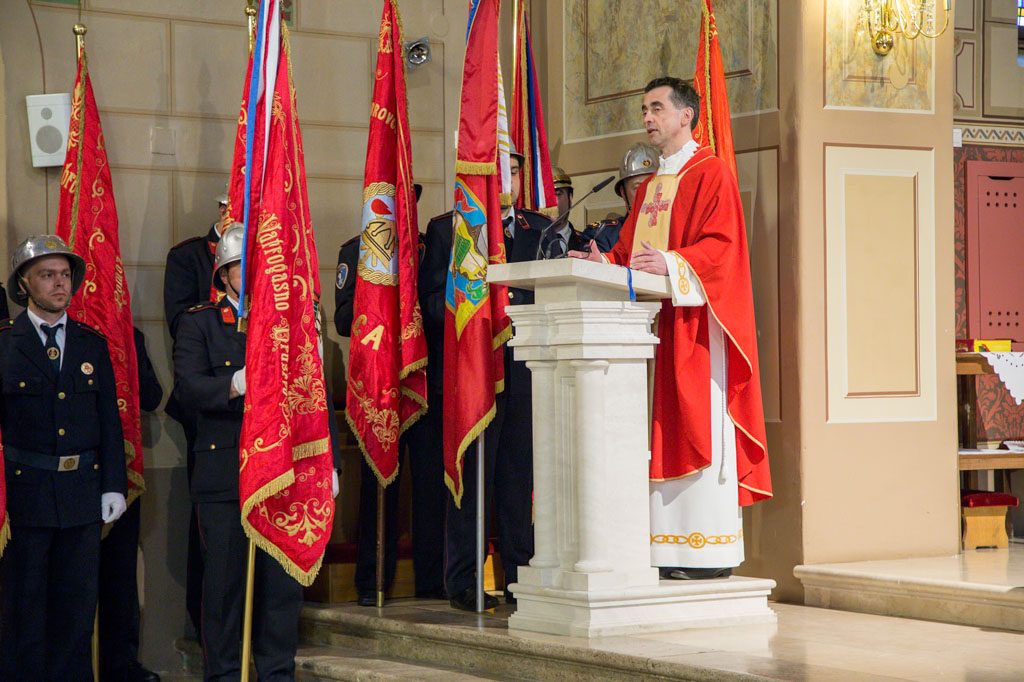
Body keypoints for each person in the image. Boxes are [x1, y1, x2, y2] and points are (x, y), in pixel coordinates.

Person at [569, 77, 771, 579]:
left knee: (696, 419)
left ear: (687, 115)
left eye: (657, 108)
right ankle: (668, 550)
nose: (648, 118)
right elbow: (631, 252)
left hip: (697, 326)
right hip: (651, 330)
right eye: (644, 109)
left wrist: (672, 263)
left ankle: (708, 551)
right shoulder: (654, 184)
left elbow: (722, 249)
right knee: (660, 431)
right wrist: (602, 261)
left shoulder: (712, 173)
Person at [175, 224, 342, 680]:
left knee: (281, 589)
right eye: (241, 270)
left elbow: (313, 392)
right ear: (223, 274)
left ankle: (276, 674)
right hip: (226, 473)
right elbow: (187, 390)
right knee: (226, 588)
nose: (252, 279)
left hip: (285, 472)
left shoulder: (291, 327)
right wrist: (233, 384)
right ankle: (226, 675)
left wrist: (330, 463)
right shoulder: (200, 323)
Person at [422, 145, 549, 610]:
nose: (503, 177)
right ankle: (465, 583)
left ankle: (521, 580)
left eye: (511, 169)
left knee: (519, 484)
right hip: (473, 373)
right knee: (471, 481)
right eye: (494, 169)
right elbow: (432, 305)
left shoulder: (541, 229)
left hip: (526, 373)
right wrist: (471, 305)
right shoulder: (449, 230)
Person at [0, 234, 128, 680]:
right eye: (47, 275)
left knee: (76, 612)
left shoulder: (91, 344)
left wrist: (114, 483)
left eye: (65, 275)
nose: (60, 284)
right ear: (24, 285)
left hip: (80, 497)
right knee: (25, 611)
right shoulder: (5, 345)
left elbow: (109, 420)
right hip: (25, 499)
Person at [334, 185, 447, 607]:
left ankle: (431, 581)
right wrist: (379, 299)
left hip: (423, 384)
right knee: (377, 488)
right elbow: (344, 319)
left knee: (431, 488)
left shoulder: (430, 251)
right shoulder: (355, 251)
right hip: (376, 389)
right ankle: (372, 580)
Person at [163, 188, 228, 636]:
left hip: (257, 411)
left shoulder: (269, 259)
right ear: (222, 209)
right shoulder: (189, 256)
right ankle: (204, 621)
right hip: (207, 404)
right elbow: (181, 321)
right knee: (210, 524)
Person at [98, 327, 163, 682]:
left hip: (124, 470)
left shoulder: (129, 334)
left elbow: (153, 395)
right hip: (75, 476)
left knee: (121, 574)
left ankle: (121, 662)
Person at [580, 143, 659, 252]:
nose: (646, 193)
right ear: (623, 192)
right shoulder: (602, 235)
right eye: (638, 188)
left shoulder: (676, 229)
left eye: (653, 186)